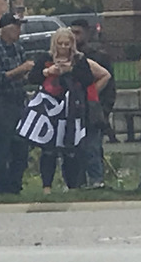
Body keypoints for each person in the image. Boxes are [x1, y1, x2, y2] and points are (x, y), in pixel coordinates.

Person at [28, 28, 97, 193]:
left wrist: (70, 70)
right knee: (49, 150)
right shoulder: (46, 58)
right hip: (49, 109)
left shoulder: (79, 59)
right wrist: (47, 72)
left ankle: (72, 185)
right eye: (60, 44)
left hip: (72, 108)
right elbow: (32, 77)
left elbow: (88, 79)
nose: (64, 47)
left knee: (71, 149)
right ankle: (47, 186)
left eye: (67, 44)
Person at [0, 12, 34, 194]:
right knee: (1, 148)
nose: (20, 30)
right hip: (1, 104)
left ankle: (15, 185)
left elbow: (23, 77)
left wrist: (26, 74)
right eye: (17, 26)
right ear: (6, 28)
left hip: (19, 101)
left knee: (20, 148)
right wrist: (20, 70)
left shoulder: (19, 49)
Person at [71, 18, 119, 145]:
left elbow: (110, 87)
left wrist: (103, 110)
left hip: (93, 112)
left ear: (86, 33)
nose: (74, 38)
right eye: (72, 33)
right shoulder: (66, 58)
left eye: (78, 33)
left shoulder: (99, 57)